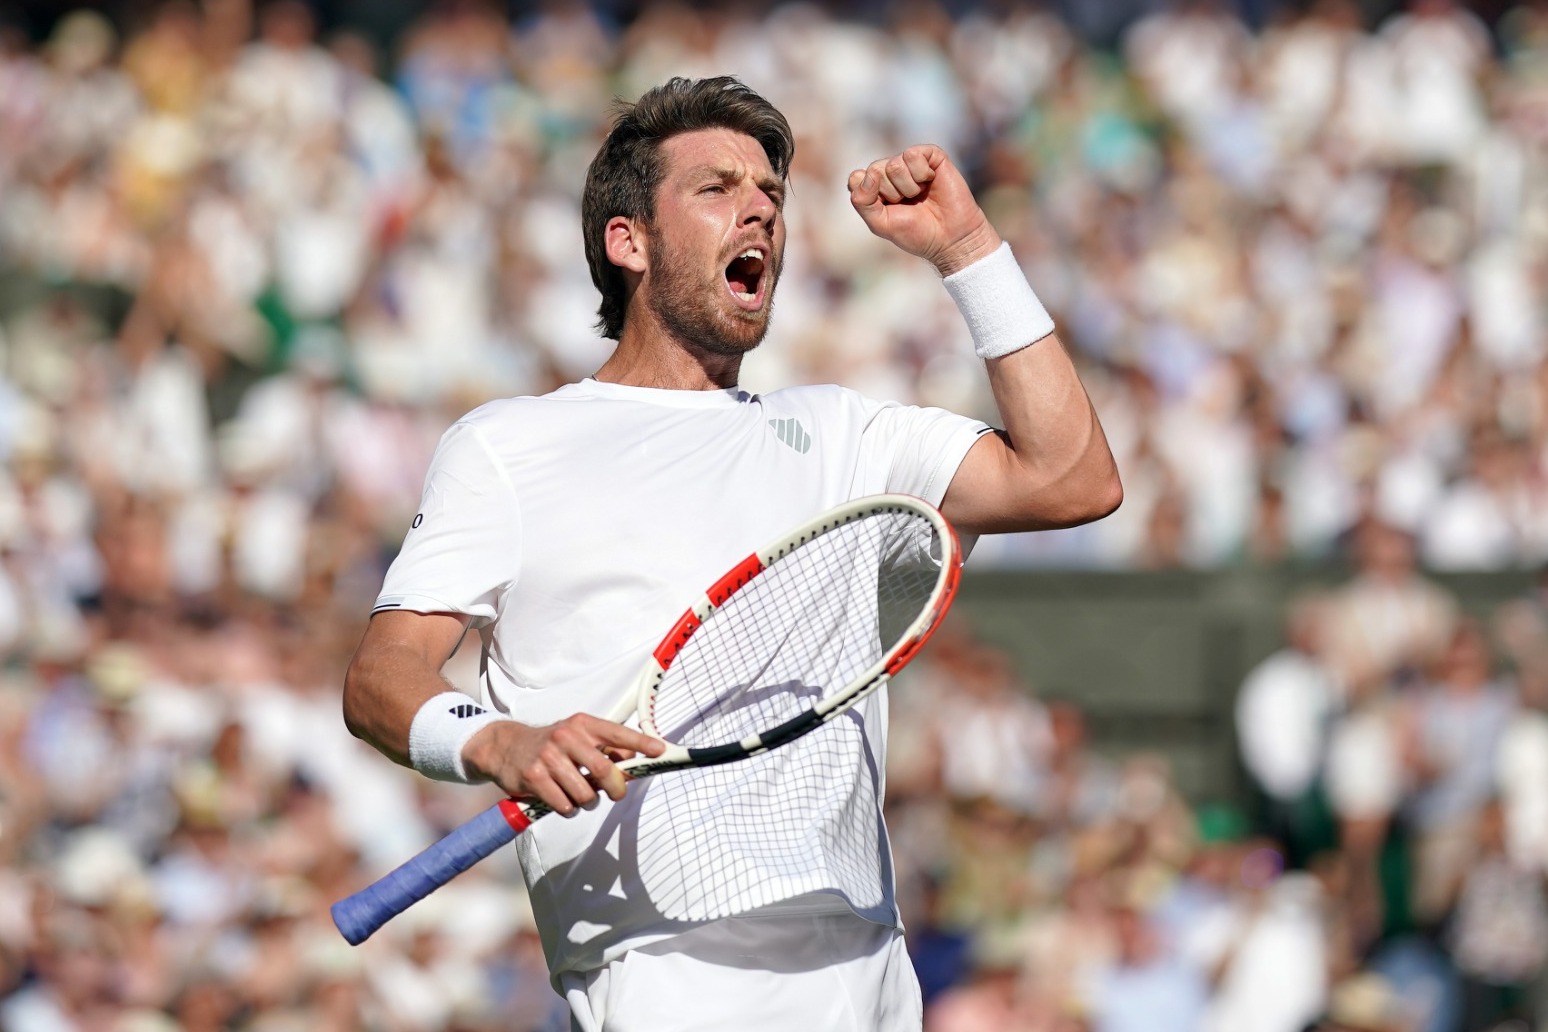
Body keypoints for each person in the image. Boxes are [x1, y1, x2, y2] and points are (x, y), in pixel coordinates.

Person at [342, 76, 1121, 1031]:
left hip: (868, 963)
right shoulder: (508, 445)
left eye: (770, 194)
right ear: (628, 241)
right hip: (667, 970)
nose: (758, 207)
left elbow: (1072, 480)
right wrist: (499, 740)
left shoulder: (844, 430)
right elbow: (381, 676)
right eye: (715, 188)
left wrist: (969, 251)